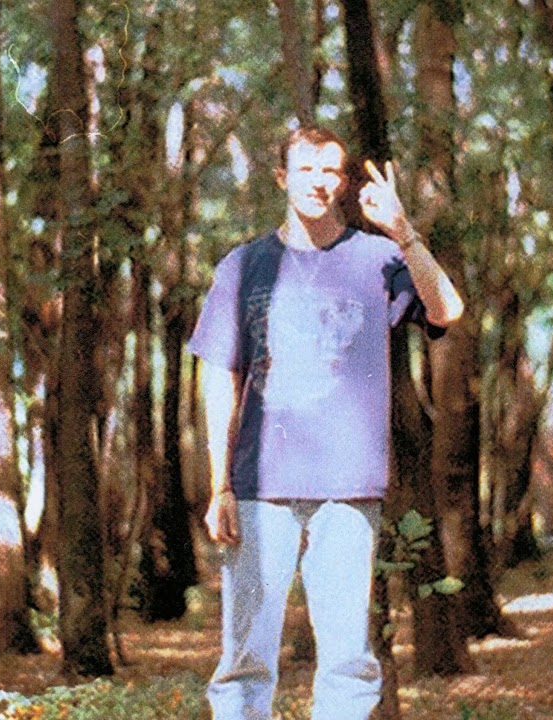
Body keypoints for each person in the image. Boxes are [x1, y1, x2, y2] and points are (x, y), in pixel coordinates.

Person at [188, 125, 464, 720]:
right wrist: (219, 486)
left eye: (331, 171)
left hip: (348, 487)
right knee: (244, 661)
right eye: (306, 169)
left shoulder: (377, 258)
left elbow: (448, 309)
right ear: (281, 177)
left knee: (347, 661)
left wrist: (403, 231)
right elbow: (218, 378)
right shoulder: (244, 266)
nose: (318, 182)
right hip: (260, 487)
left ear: (345, 183)